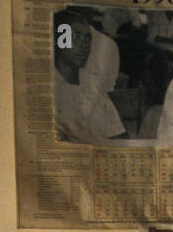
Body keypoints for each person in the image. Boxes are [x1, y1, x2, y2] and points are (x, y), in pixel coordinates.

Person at [52, 12, 127, 143]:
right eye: (76, 37)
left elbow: (117, 131)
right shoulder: (50, 86)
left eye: (87, 39)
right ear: (57, 40)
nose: (84, 45)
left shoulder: (93, 83)